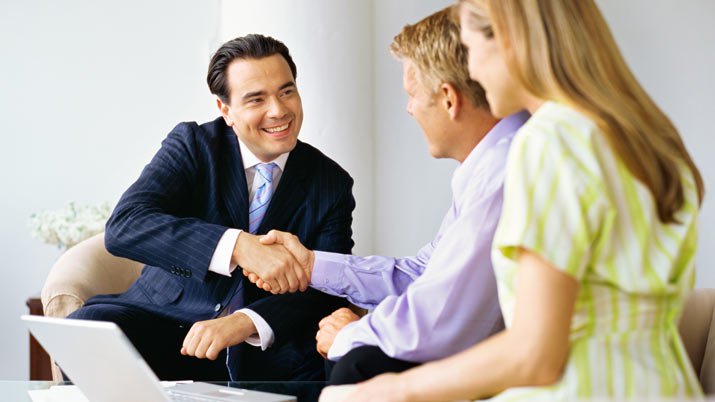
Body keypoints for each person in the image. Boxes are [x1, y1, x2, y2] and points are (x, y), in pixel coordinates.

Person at [334, 0, 706, 401]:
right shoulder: (646, 137)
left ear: (509, 41)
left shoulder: (550, 141)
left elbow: (536, 354)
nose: (471, 71)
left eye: (472, 49)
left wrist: (393, 390)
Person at [244, 7, 528, 385]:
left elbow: (439, 317)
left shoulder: (502, 170)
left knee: (357, 362)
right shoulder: (484, 167)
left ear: (448, 98)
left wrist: (351, 332)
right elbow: (420, 273)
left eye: (412, 94)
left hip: (496, 359)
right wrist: (312, 265)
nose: (408, 109)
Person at [67, 34, 355, 382]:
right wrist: (238, 246)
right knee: (90, 328)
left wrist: (246, 322)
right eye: (256, 99)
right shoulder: (193, 146)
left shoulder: (332, 182)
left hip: (261, 346)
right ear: (226, 110)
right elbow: (126, 225)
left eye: (286, 91)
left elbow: (328, 287)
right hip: (164, 320)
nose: (279, 110)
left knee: (333, 361)